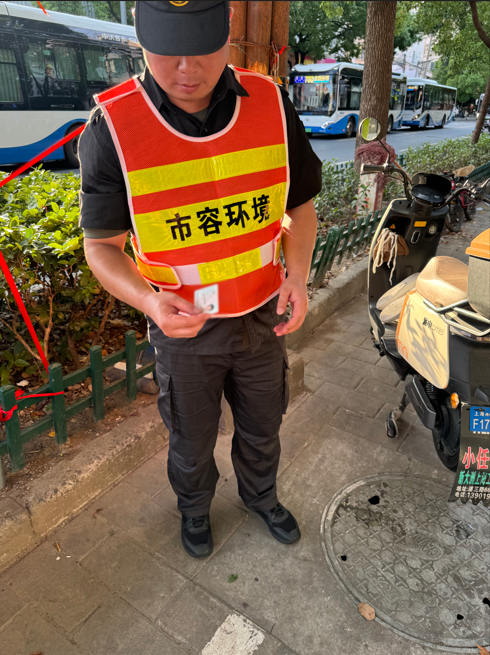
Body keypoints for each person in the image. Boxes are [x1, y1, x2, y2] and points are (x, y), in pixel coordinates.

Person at [79, 0, 321, 559]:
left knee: (264, 426)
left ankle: (261, 498)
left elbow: (300, 207)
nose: (187, 68)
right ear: (141, 36)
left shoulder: (270, 103)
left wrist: (299, 275)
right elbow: (102, 248)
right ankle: (194, 511)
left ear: (227, 29)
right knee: (190, 440)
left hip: (263, 316)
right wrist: (150, 302)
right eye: (168, 50)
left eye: (202, 47)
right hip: (186, 330)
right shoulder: (113, 128)